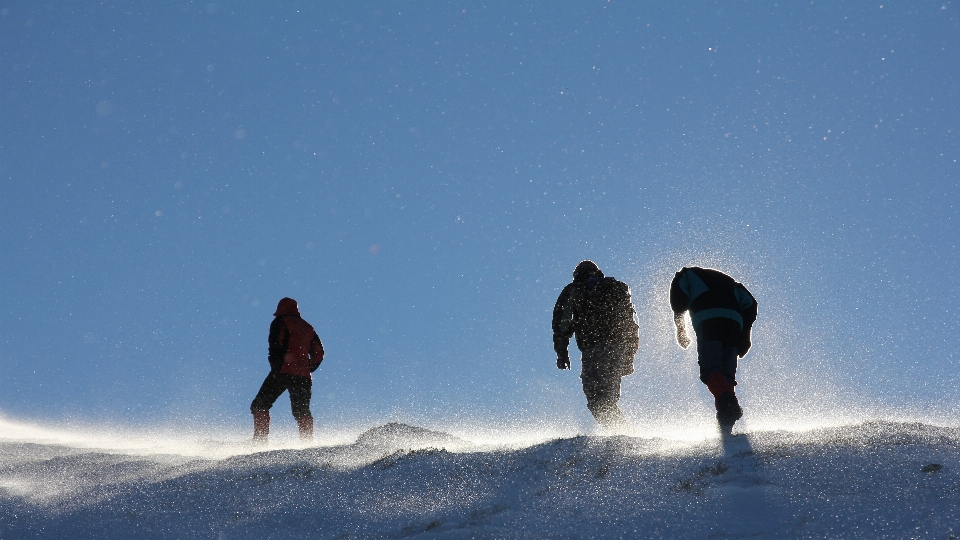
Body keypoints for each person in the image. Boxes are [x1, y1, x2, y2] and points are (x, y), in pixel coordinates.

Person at [552, 260, 640, 429]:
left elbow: (562, 324)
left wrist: (561, 352)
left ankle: (621, 432)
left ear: (577, 275)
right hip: (618, 349)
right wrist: (629, 355)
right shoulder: (617, 288)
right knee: (609, 397)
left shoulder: (574, 290)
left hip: (594, 349)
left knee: (596, 399)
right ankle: (622, 433)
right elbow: (632, 323)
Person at [669, 267, 757, 434]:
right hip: (734, 322)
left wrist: (680, 329)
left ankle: (728, 405)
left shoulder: (687, 274)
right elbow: (750, 303)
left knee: (711, 369)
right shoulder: (731, 283)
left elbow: (678, 298)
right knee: (726, 373)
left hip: (709, 319)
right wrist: (745, 335)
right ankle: (726, 425)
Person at [250, 297, 324, 444]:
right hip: (303, 375)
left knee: (259, 405)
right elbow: (319, 352)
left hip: (283, 371)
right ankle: (307, 442)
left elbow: (275, 346)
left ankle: (260, 441)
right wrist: (309, 367)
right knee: (301, 411)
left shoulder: (280, 322)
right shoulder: (308, 327)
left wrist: (276, 366)